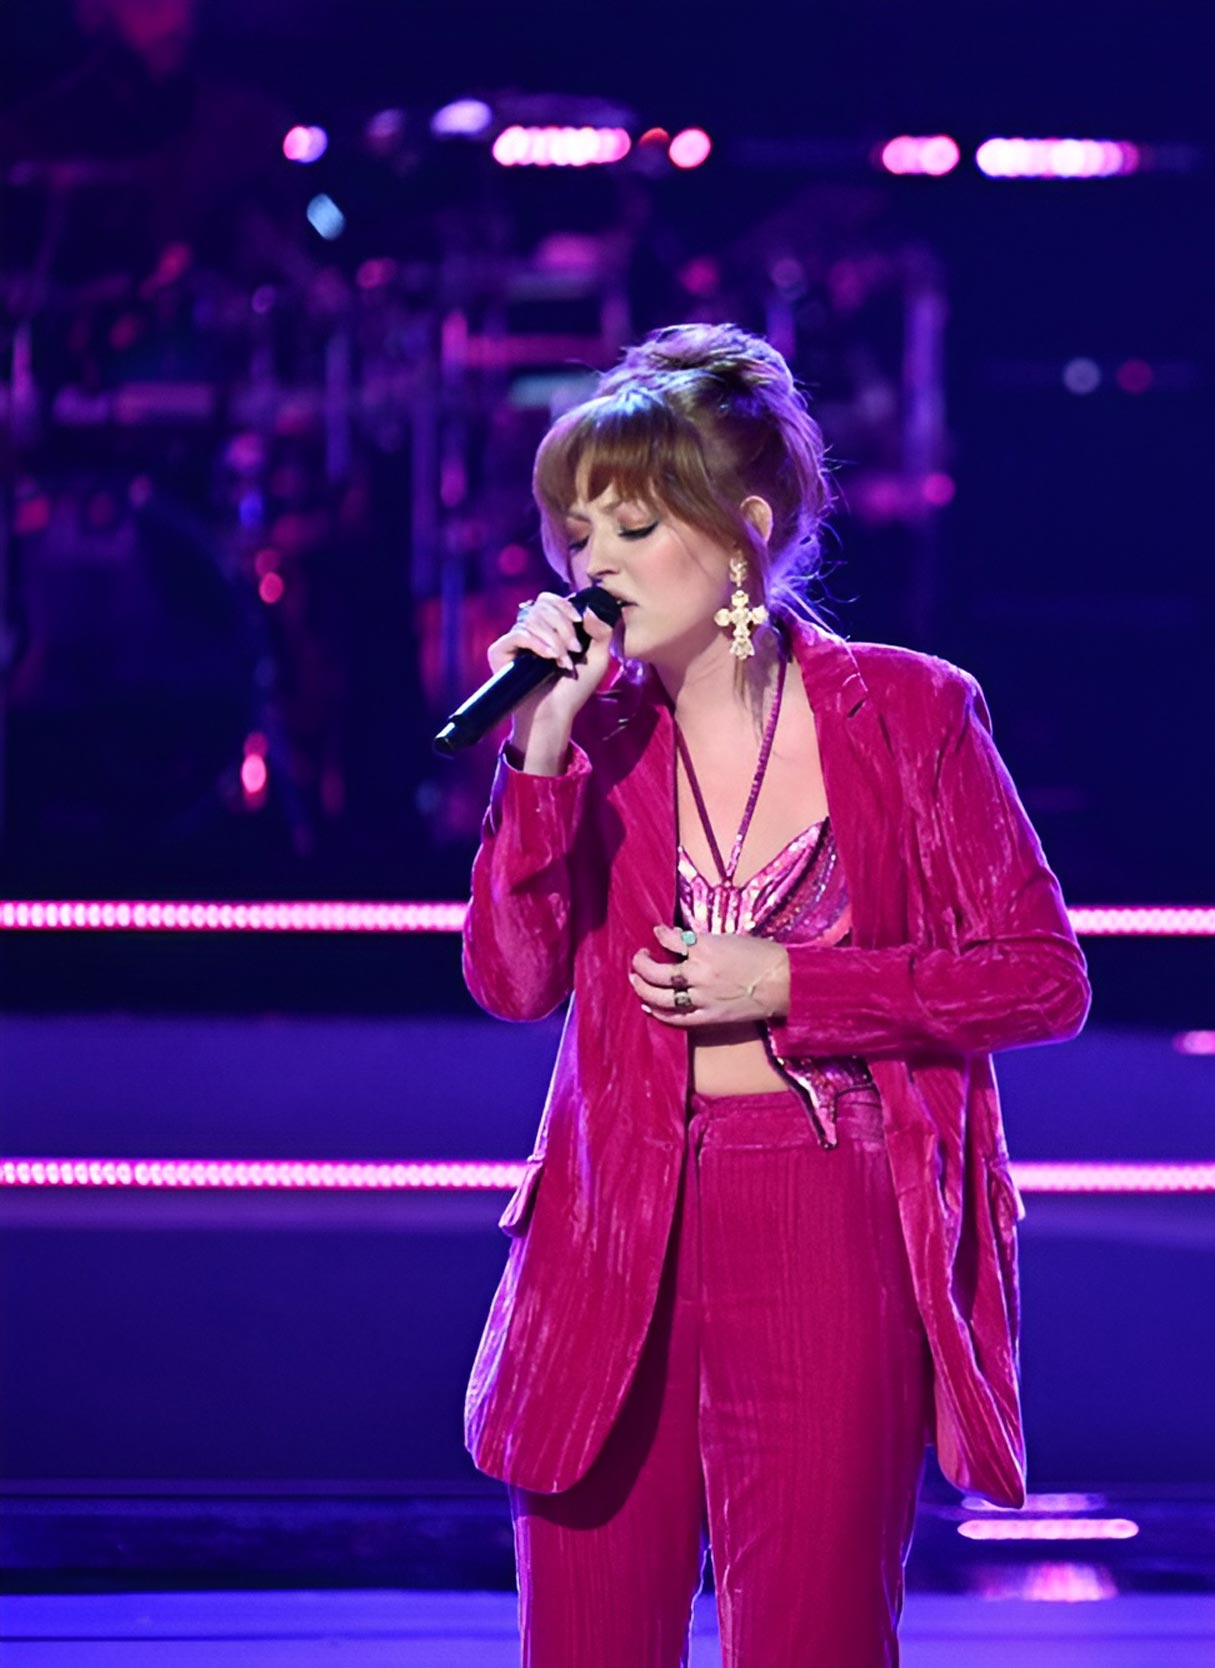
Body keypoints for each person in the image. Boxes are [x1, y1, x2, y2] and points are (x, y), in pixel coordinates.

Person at [459, 322, 1089, 1666]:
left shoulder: (911, 715)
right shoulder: (595, 740)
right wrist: (541, 753)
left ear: (741, 528)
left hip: (827, 1214)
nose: (596, 567)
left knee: (811, 1636)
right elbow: (511, 981)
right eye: (578, 537)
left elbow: (1041, 978)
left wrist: (795, 982)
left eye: (631, 527)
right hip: (609, 1230)